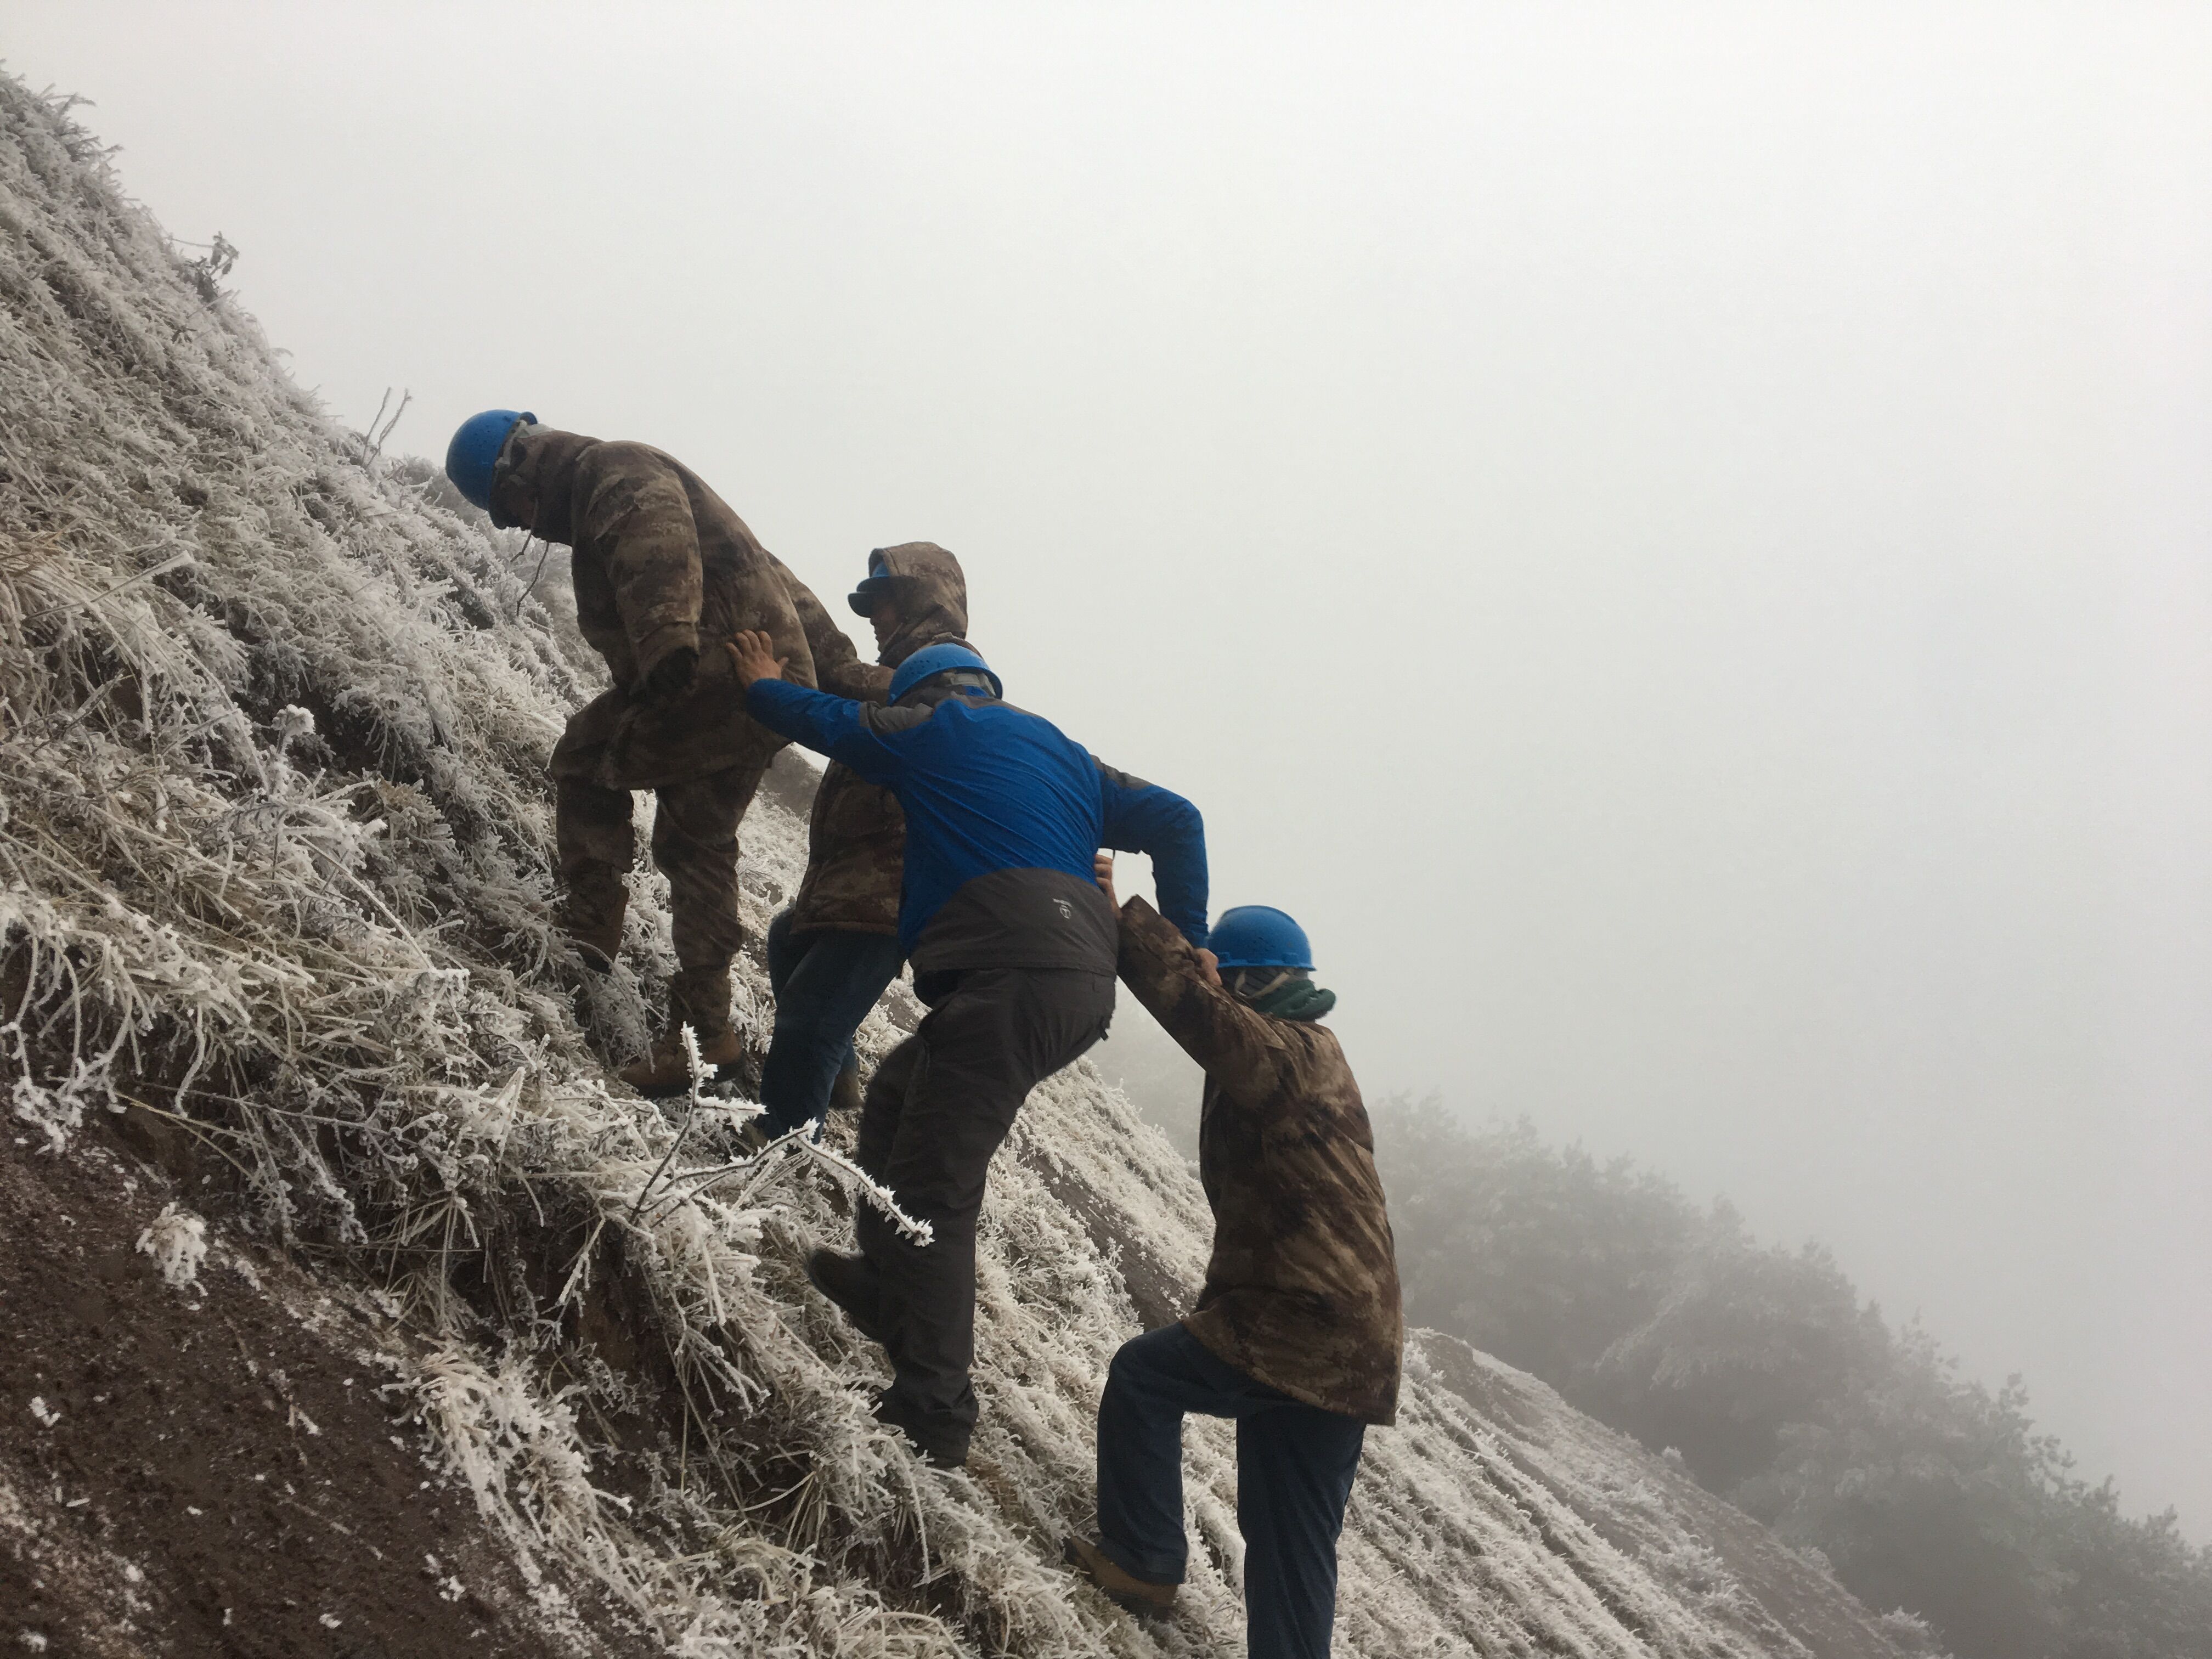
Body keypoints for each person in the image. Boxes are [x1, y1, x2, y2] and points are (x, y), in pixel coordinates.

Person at [724, 628, 1208, 1468]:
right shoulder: (1066, 755)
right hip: (1075, 984)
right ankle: (883, 1287)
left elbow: (826, 721)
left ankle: (934, 1408)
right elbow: (1178, 818)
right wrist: (1189, 933)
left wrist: (763, 684)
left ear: (924, 695)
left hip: (1008, 976)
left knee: (936, 1193)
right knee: (897, 1096)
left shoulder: (932, 730)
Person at [443, 410, 880, 1096]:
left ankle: (589, 931)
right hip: (760, 687)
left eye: (511, 507)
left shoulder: (608, 469)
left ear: (521, 462)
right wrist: (839, 673)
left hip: (708, 677)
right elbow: (772, 575)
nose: (522, 524)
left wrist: (665, 638)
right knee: (697, 847)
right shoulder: (640, 483)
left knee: (585, 759)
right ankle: (709, 1042)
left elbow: (655, 533)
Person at [1063, 868, 1401, 1659]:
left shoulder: (1289, 1053)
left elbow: (1199, 1012)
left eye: (1226, 971)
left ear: (1251, 981)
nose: (1215, 979)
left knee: (1143, 1378)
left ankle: (1143, 1562)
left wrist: (1122, 919)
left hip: (1305, 1321)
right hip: (1352, 1342)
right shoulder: (1304, 1054)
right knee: (1291, 1538)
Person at [756, 544, 973, 1139]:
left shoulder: (942, 678)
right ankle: (835, 1082)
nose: (872, 619)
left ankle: (783, 1141)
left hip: (887, 894)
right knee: (787, 940)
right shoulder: (909, 674)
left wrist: (764, 573)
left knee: (812, 1018)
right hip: (858, 881)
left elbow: (841, 676)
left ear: (918, 603)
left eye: (882, 603)